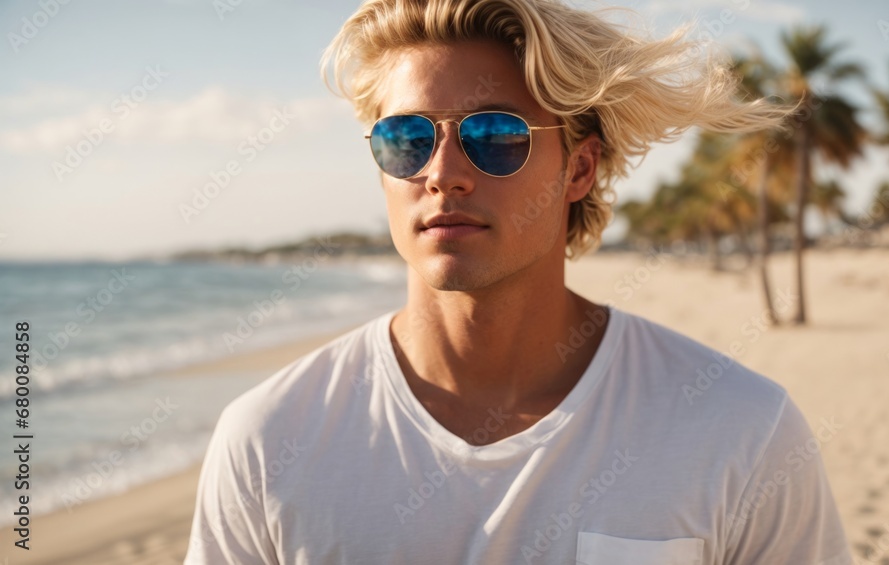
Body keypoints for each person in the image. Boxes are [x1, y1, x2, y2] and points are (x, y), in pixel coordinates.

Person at [184, 0, 852, 563]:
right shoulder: (269, 443)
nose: (442, 171)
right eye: (405, 138)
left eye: (495, 135)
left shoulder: (738, 430)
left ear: (580, 169)